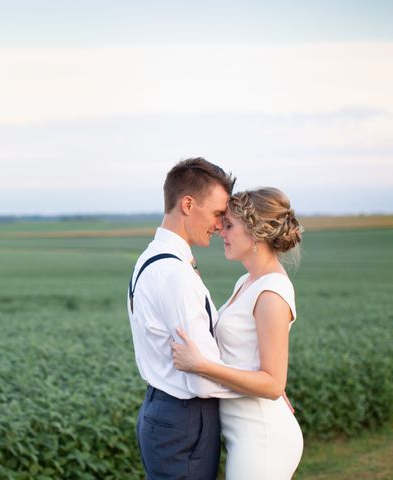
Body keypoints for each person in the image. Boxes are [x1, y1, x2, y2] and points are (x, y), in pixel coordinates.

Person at [171, 187, 304, 480]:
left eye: (229, 225)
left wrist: (201, 365)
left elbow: (272, 384)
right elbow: (246, 351)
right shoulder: (247, 281)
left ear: (255, 232)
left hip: (262, 438)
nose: (221, 231)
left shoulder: (271, 292)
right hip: (246, 433)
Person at [127, 158, 240, 479]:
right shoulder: (174, 273)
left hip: (165, 409)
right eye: (218, 213)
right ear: (188, 204)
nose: (220, 226)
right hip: (185, 417)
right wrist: (261, 387)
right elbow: (201, 377)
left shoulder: (152, 258)